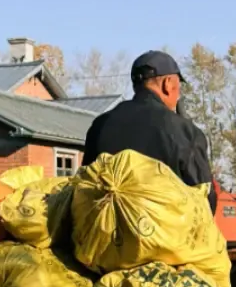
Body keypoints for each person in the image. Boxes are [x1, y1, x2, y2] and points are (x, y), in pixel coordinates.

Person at [81, 50, 217, 212]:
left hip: (103, 232)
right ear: (167, 84)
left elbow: (85, 186)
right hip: (164, 234)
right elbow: (205, 201)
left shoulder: (100, 125)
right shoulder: (184, 130)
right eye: (178, 86)